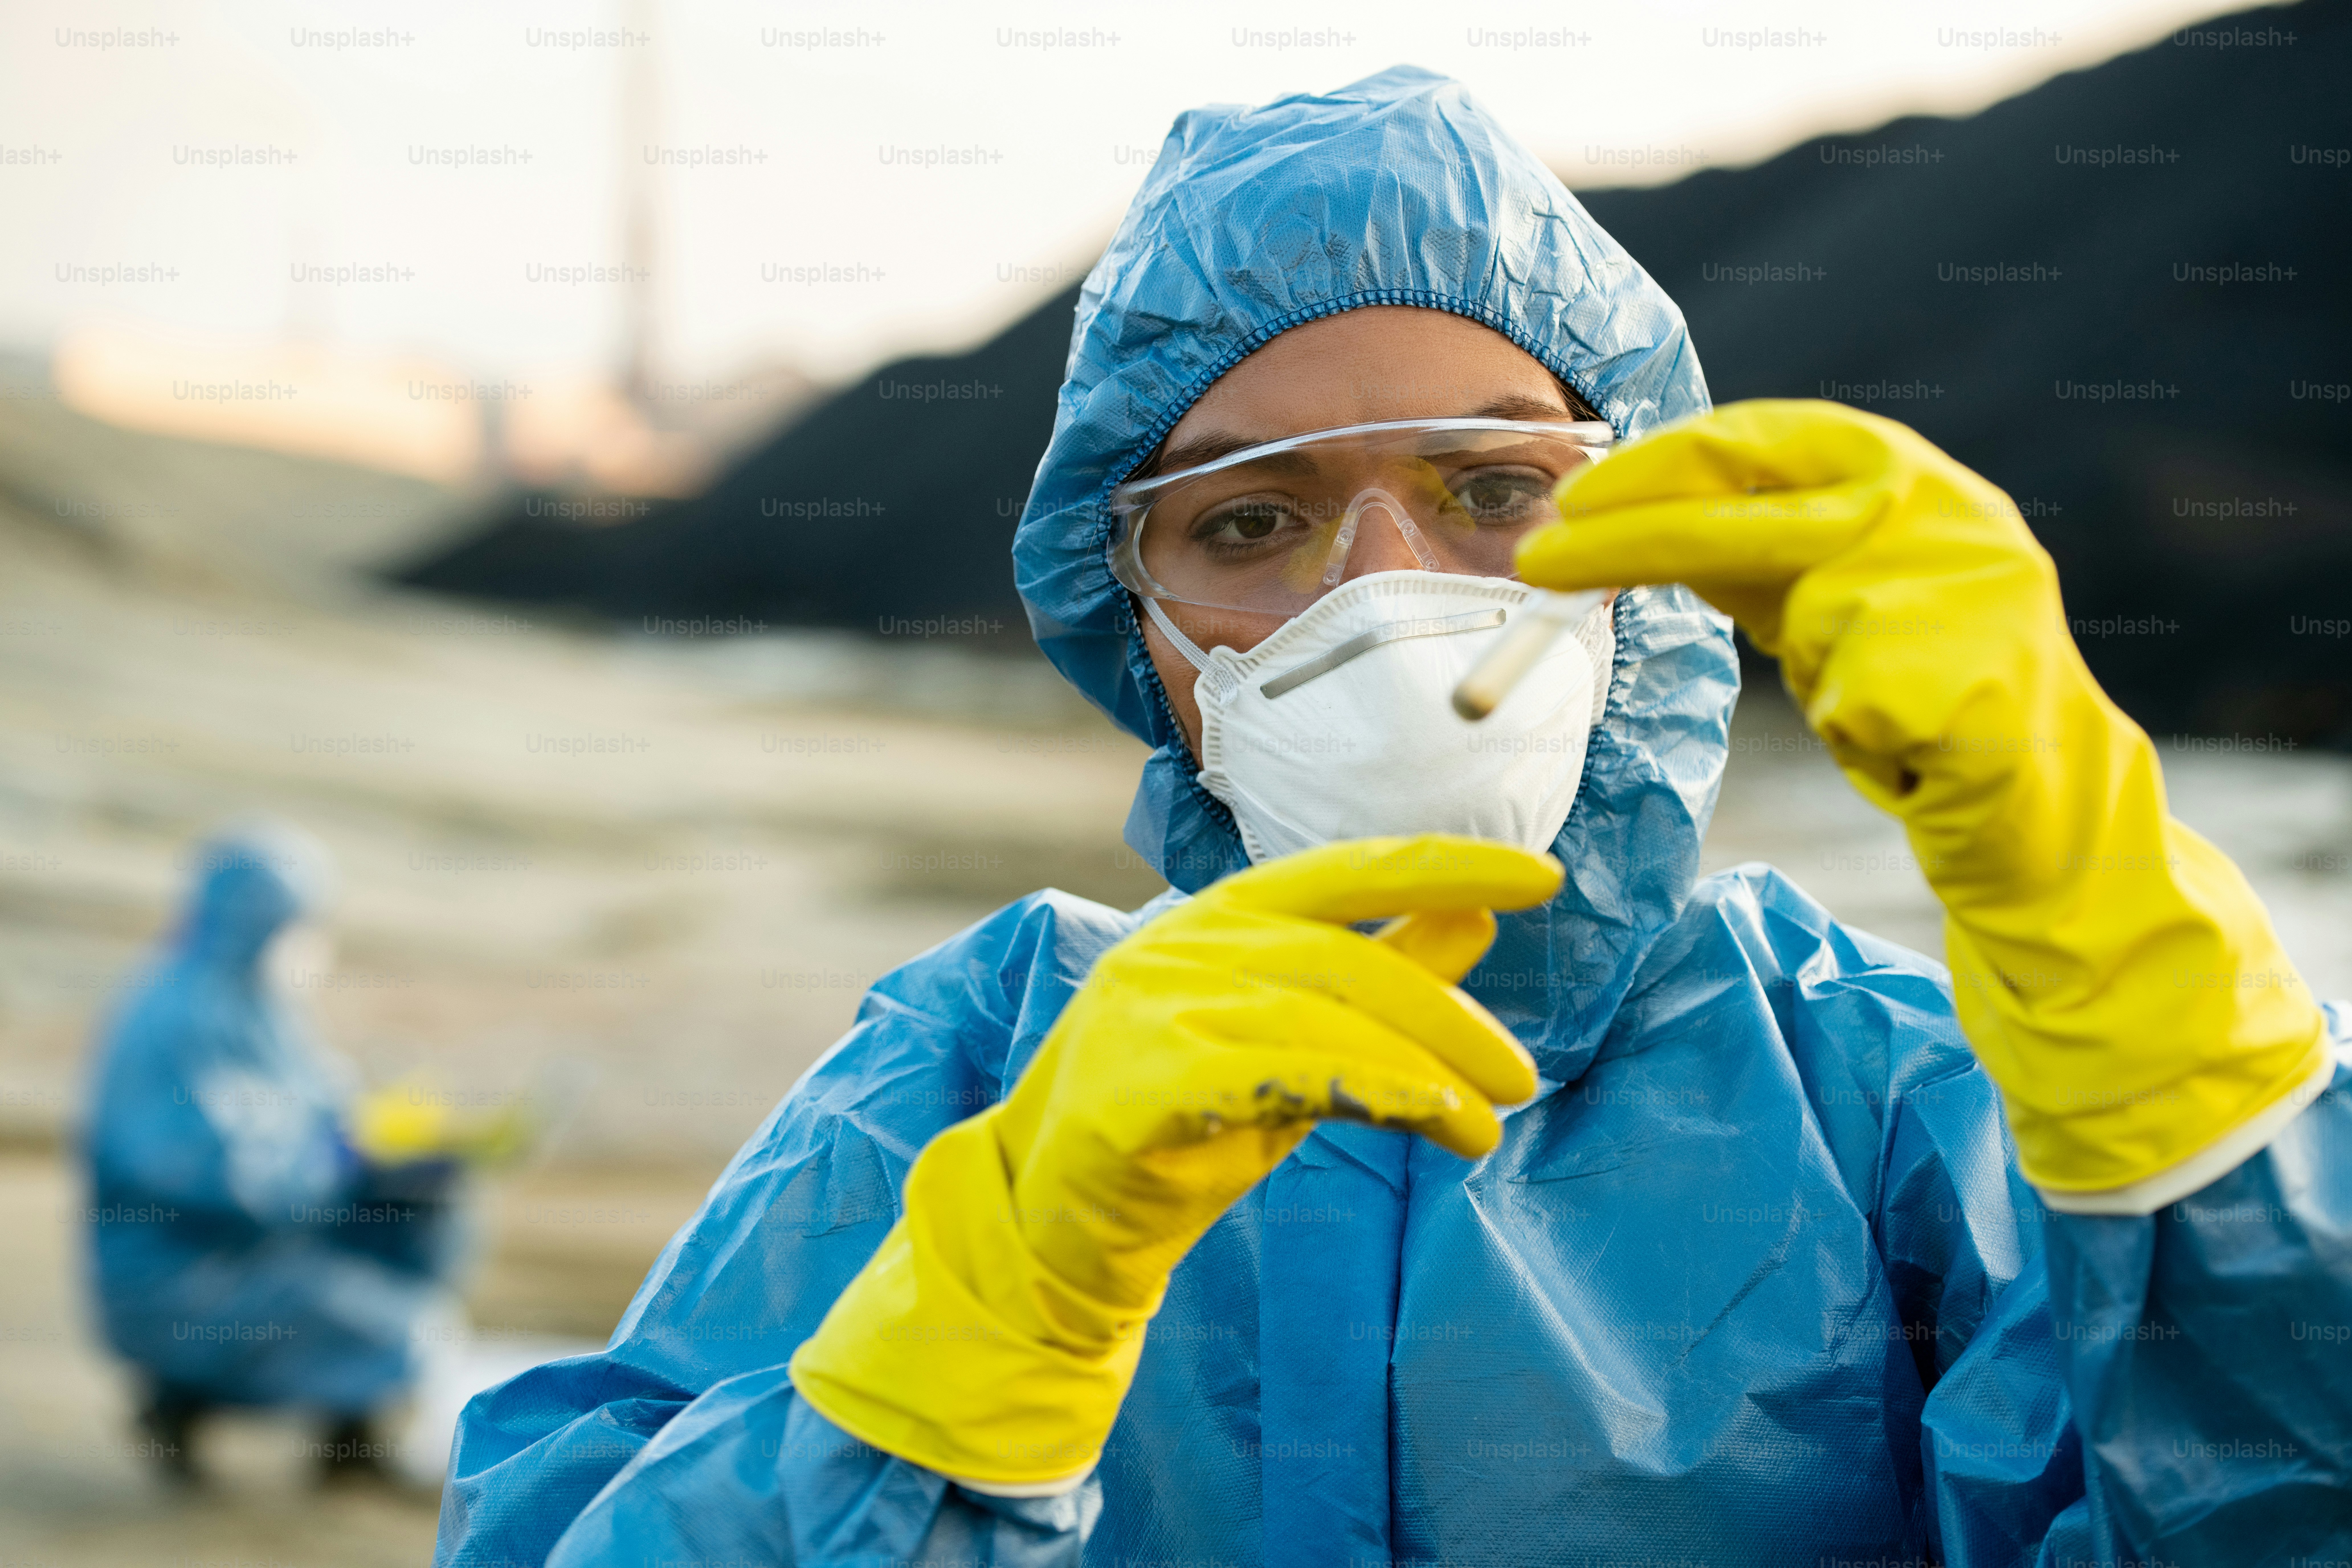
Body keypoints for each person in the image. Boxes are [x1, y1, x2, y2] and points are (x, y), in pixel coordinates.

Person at [433, 69, 2351, 1567]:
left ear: (1653, 563)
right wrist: (955, 1357)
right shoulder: (970, 1076)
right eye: (1250, 524)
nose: (1376, 597)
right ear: (1135, 626)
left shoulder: (1868, 1089)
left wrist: (2193, 1110)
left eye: (1489, 488)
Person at [83, 823, 492, 1483]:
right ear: (265, 924)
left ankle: (344, 1434)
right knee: (410, 1332)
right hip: (187, 1278)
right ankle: (188, 1393)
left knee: (425, 1210)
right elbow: (223, 1177)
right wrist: (336, 1158)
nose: (314, 945)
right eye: (304, 926)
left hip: (251, 1250)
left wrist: (395, 1150)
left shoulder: (259, 1010)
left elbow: (316, 1118)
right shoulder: (177, 1019)